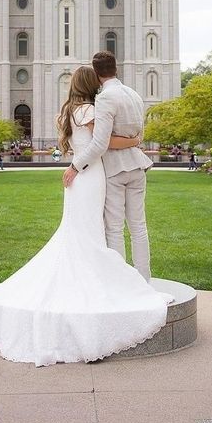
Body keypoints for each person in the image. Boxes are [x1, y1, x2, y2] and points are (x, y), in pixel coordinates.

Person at [0, 65, 172, 366]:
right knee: (95, 231)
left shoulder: (71, 110)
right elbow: (100, 143)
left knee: (86, 232)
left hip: (85, 178)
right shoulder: (89, 110)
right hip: (90, 176)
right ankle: (113, 281)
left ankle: (105, 276)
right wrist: (131, 141)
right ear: (91, 84)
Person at [63, 51, 154, 282]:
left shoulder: (105, 98)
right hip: (137, 166)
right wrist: (135, 141)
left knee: (114, 229)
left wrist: (76, 165)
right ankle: (144, 280)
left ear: (96, 73)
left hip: (115, 170)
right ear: (116, 68)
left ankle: (121, 282)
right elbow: (139, 133)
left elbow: (100, 144)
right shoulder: (133, 94)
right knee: (138, 227)